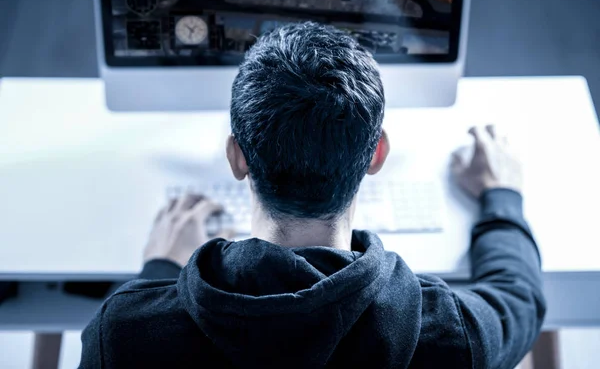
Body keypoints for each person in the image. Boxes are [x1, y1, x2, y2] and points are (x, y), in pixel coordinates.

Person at [79, 22, 546, 369]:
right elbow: (518, 299)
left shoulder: (123, 336)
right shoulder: (448, 336)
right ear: (376, 154)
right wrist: (501, 198)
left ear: (237, 158)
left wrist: (159, 270)